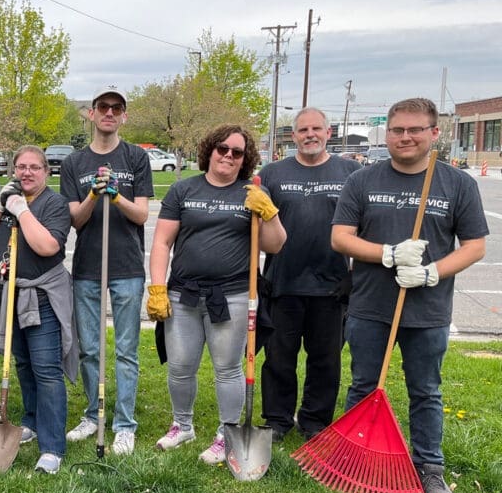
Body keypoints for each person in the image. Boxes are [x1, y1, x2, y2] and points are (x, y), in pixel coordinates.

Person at [331, 97, 488, 493]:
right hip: (369, 306)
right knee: (364, 385)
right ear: (388, 133)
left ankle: (429, 467)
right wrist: (386, 253)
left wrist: (433, 271)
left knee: (426, 390)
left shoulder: (457, 183)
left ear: (434, 133)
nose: (406, 137)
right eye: (398, 129)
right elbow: (340, 237)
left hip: (429, 310)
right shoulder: (363, 180)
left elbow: (474, 246)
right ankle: (356, 458)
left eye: (415, 129)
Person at [147, 124, 286, 465]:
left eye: (237, 152)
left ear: (244, 159)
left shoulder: (253, 192)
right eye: (222, 148)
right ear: (209, 151)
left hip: (234, 296)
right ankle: (183, 425)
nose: (228, 155)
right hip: (184, 296)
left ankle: (227, 433)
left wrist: (268, 212)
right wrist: (157, 287)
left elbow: (275, 244)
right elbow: (162, 242)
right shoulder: (183, 190)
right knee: (180, 366)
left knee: (227, 368)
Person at [258, 107, 362, 441]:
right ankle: (277, 420)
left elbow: (364, 227)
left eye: (316, 129)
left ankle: (315, 421)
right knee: (278, 359)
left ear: (329, 132)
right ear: (294, 135)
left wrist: (354, 274)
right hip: (282, 282)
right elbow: (258, 227)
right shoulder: (272, 173)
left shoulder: (351, 172)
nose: (309, 135)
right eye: (302, 130)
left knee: (325, 360)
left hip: (332, 285)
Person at [0, 146, 76, 474]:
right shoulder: (7, 200)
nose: (27, 172)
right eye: (20, 167)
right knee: (23, 364)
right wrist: (0, 203)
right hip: (9, 296)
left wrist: (22, 211)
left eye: (34, 167)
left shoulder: (55, 204)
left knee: (46, 370)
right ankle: (30, 420)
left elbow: (47, 246)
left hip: (41, 298)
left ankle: (52, 447)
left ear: (47, 172)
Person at [60, 86, 152, 455]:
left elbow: (143, 214)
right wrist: (94, 195)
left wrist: (117, 194)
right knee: (90, 350)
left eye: (117, 108)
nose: (110, 113)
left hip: (127, 266)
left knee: (127, 350)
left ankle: (124, 424)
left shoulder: (135, 158)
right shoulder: (74, 163)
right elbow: (75, 220)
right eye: (103, 107)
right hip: (86, 268)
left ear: (124, 116)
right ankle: (93, 414)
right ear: (92, 114)